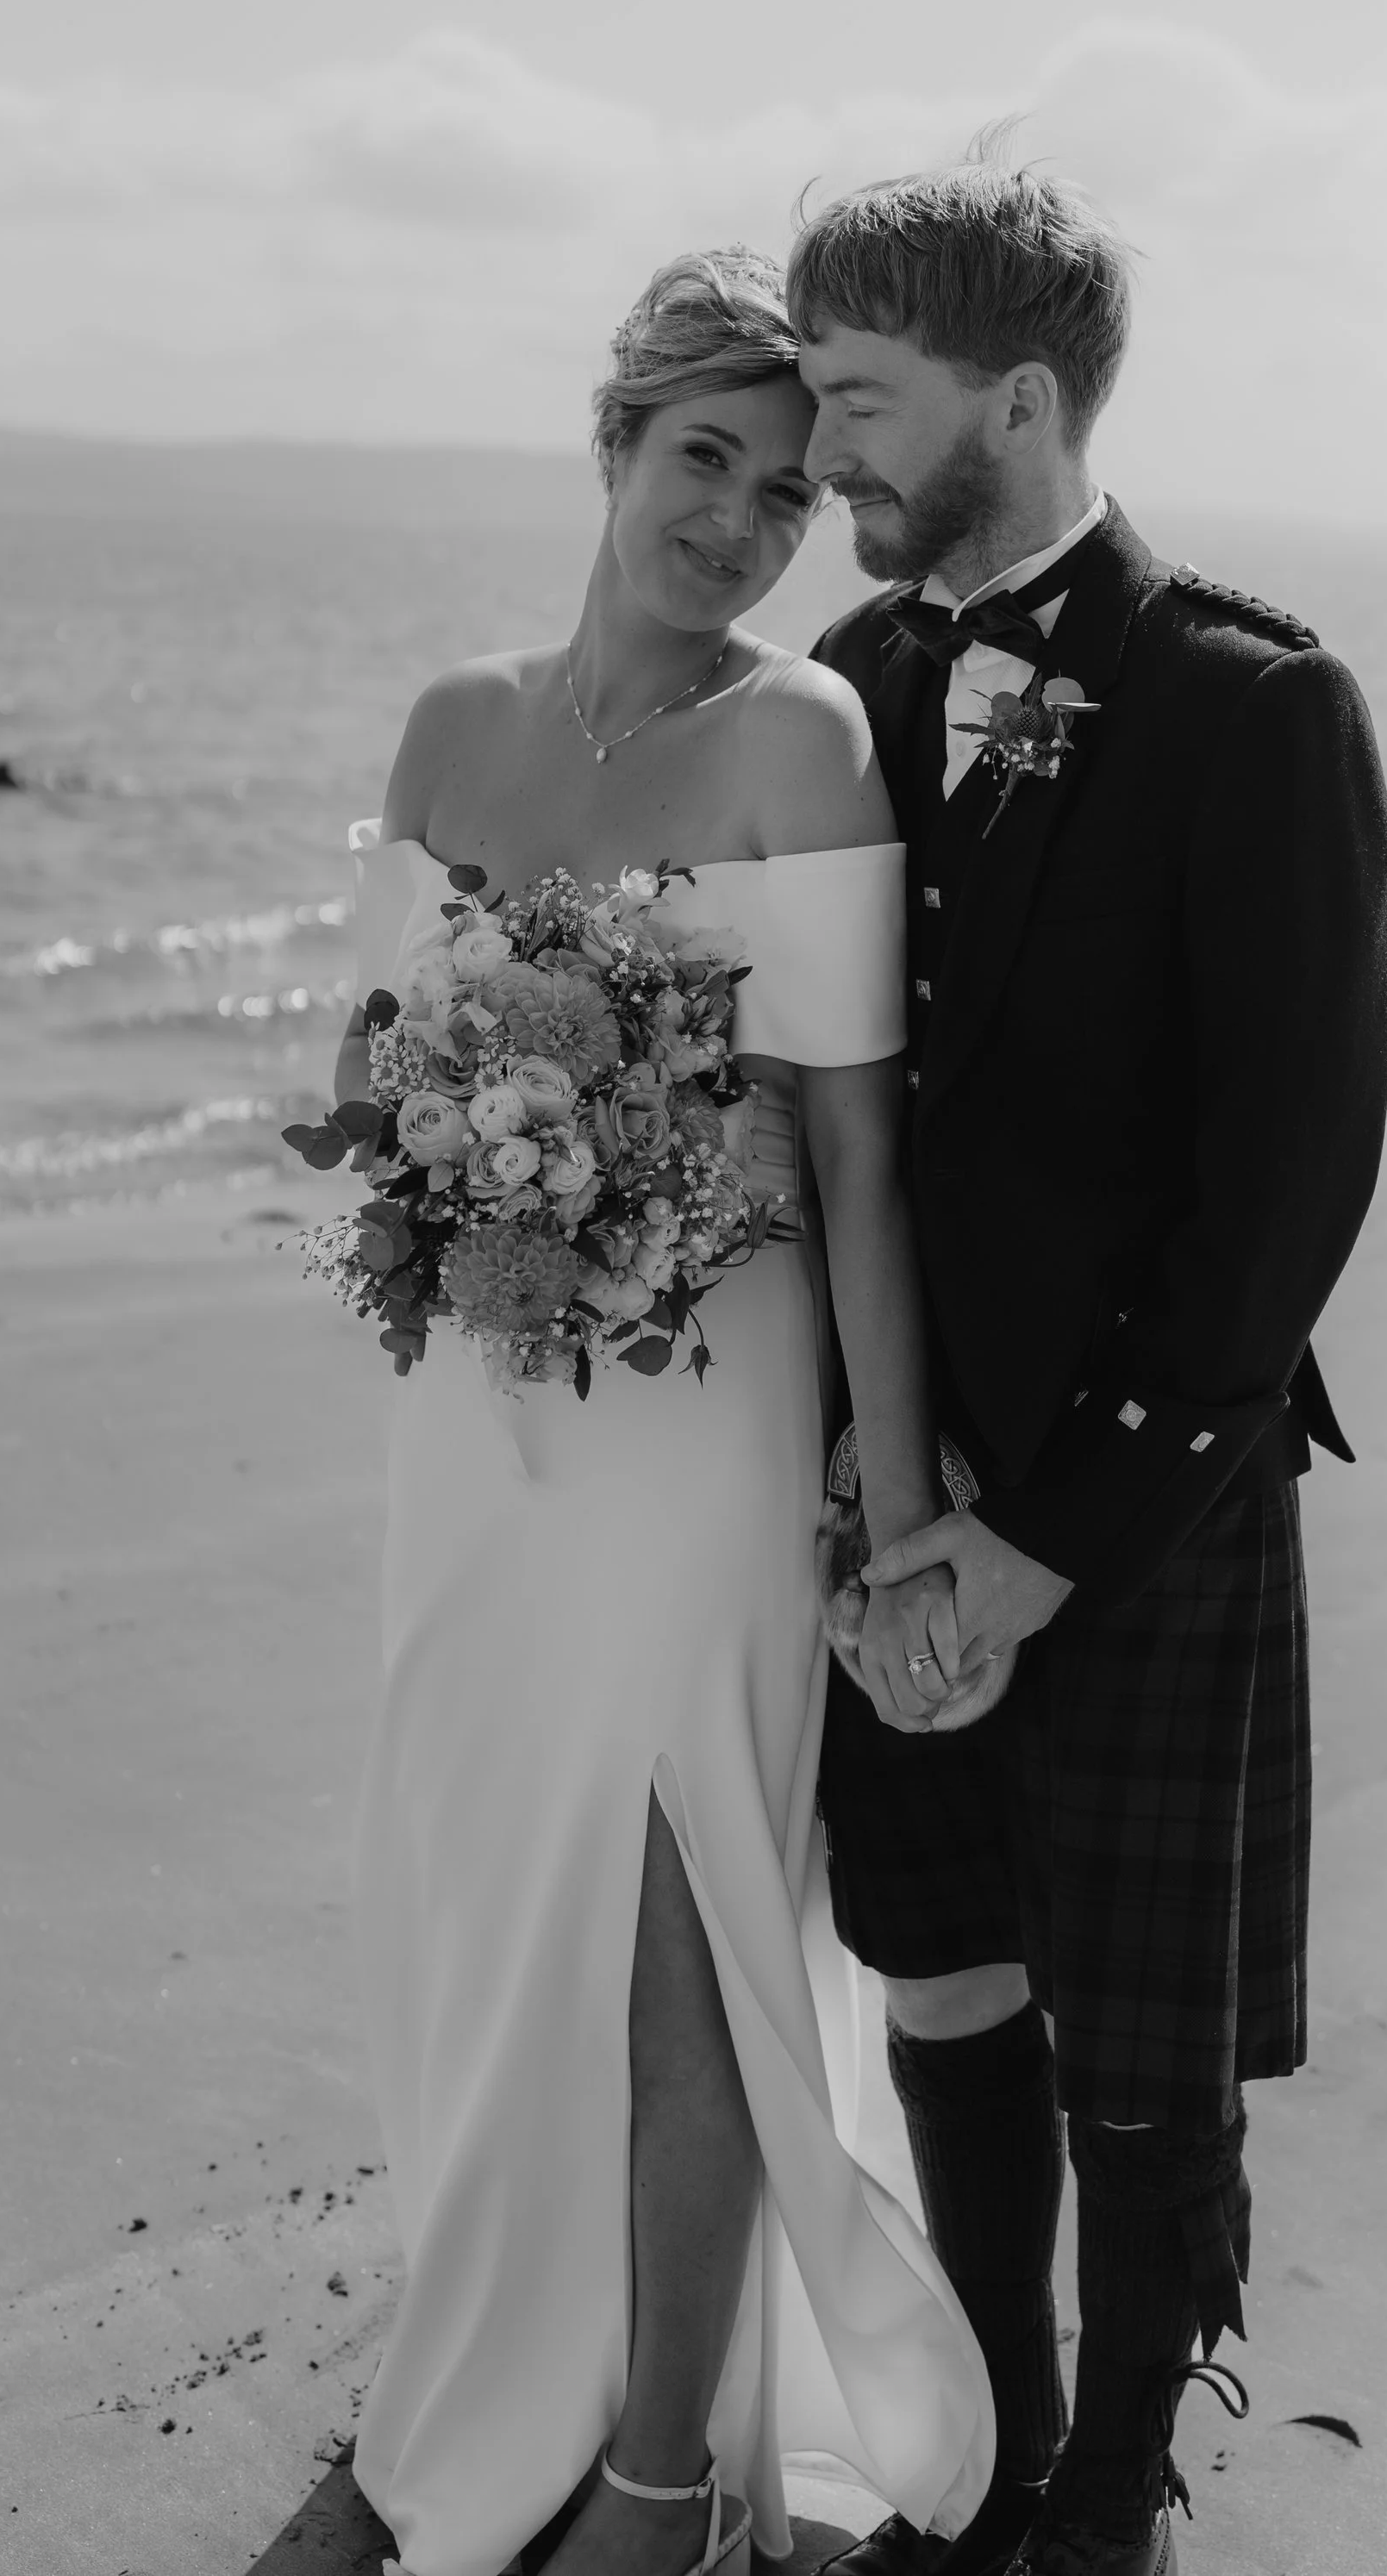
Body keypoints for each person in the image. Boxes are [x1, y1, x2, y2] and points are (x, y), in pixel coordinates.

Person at [336, 248, 993, 2576]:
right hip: (478, 1413)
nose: (736, 519)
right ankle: (461, 2378)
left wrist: (897, 1515)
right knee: (480, 1899)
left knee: (678, 1915)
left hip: (704, 1403)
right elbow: (366, 1069)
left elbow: (853, 1146)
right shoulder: (447, 724)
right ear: (613, 446)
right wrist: (450, 1138)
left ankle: (652, 2474)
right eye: (703, 461)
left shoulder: (795, 734)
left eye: (790, 492)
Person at [794, 165, 1387, 2576]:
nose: (826, 447)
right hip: (878, 1464)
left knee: (1135, 2027)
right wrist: (863, 1453)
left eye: (862, 399)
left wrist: (1036, 1540)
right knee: (937, 1948)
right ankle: (987, 2445)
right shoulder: (846, 689)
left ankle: (1117, 2476)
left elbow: (1282, 1190)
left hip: (1133, 1488)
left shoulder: (1251, 702)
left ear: (1018, 397)